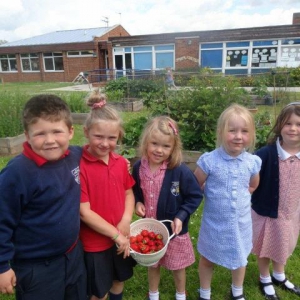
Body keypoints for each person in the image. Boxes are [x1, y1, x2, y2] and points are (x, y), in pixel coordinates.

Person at [0, 95, 87, 300]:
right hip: (36, 268)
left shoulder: (75, 156)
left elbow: (98, 155)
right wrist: (2, 266)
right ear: (27, 136)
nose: (50, 140)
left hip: (73, 254)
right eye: (40, 134)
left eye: (57, 131)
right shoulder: (18, 173)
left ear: (70, 132)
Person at [194, 104, 262, 300]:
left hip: (241, 223)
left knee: (240, 258)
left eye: (244, 131)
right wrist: (211, 194)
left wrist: (241, 196)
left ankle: (237, 291)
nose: (238, 136)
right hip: (214, 223)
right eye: (232, 130)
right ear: (221, 132)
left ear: (251, 134)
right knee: (207, 258)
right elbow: (196, 183)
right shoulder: (209, 161)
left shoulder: (252, 162)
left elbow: (253, 185)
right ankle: (205, 292)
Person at [132, 116, 203, 300]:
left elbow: (195, 195)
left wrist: (182, 215)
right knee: (152, 265)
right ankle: (153, 294)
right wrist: (138, 202)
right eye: (154, 143)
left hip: (174, 230)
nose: (159, 150)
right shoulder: (139, 167)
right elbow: (135, 190)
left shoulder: (179, 171)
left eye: (166, 146)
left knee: (177, 266)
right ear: (146, 142)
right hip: (151, 229)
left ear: (173, 148)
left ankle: (181, 294)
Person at [79, 91, 136, 300]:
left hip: (121, 236)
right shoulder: (80, 166)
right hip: (95, 243)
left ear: (119, 136)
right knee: (99, 290)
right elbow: (84, 212)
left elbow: (128, 193)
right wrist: (115, 234)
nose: (105, 143)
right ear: (86, 132)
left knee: (118, 280)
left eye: (112, 138)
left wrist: (126, 219)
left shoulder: (120, 162)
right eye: (98, 136)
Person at [251, 102, 300, 300]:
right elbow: (250, 179)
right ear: (280, 125)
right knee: (264, 246)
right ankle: (264, 278)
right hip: (267, 213)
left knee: (284, 243)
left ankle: (279, 275)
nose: (293, 128)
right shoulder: (265, 154)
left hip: (291, 213)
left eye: (298, 124)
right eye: (288, 123)